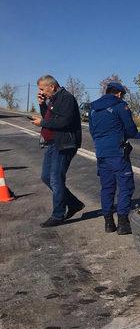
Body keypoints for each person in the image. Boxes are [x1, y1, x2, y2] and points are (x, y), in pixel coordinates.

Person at [31, 75, 84, 227]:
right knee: (46, 177)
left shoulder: (67, 98)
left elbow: (64, 121)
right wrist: (42, 105)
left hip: (64, 144)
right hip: (52, 143)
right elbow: (49, 117)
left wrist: (42, 122)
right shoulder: (53, 99)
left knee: (56, 178)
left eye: (42, 89)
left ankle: (58, 215)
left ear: (52, 87)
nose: (41, 92)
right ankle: (73, 203)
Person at [89, 82, 139, 234]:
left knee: (107, 187)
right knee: (126, 186)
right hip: (118, 153)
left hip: (101, 153)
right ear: (118, 93)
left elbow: (92, 131)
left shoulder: (93, 109)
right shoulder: (120, 106)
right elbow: (131, 129)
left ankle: (109, 223)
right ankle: (123, 223)